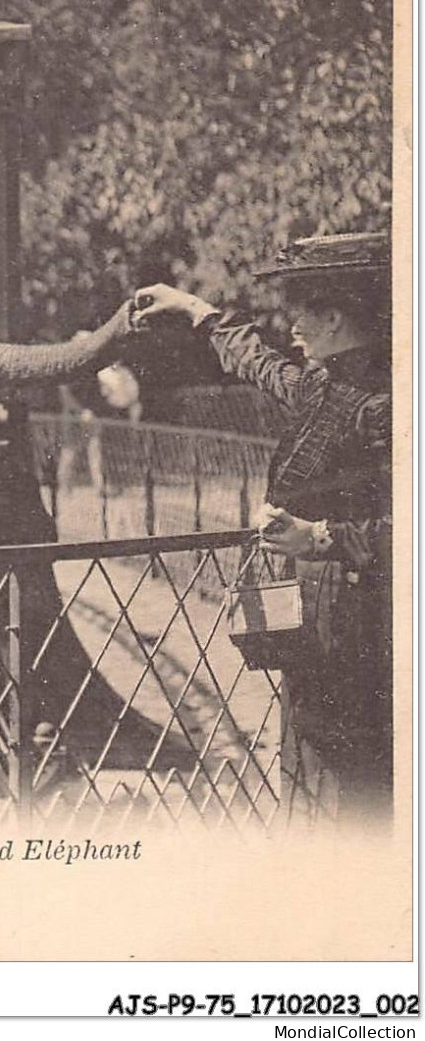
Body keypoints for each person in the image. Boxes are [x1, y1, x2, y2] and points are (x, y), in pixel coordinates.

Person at [133, 232, 392, 826]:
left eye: (299, 309)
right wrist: (194, 310)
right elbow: (261, 363)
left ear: (332, 317)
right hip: (319, 613)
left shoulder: (383, 404)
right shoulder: (328, 384)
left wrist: (321, 537)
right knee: (316, 754)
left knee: (356, 774)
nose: (290, 324)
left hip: (362, 617)